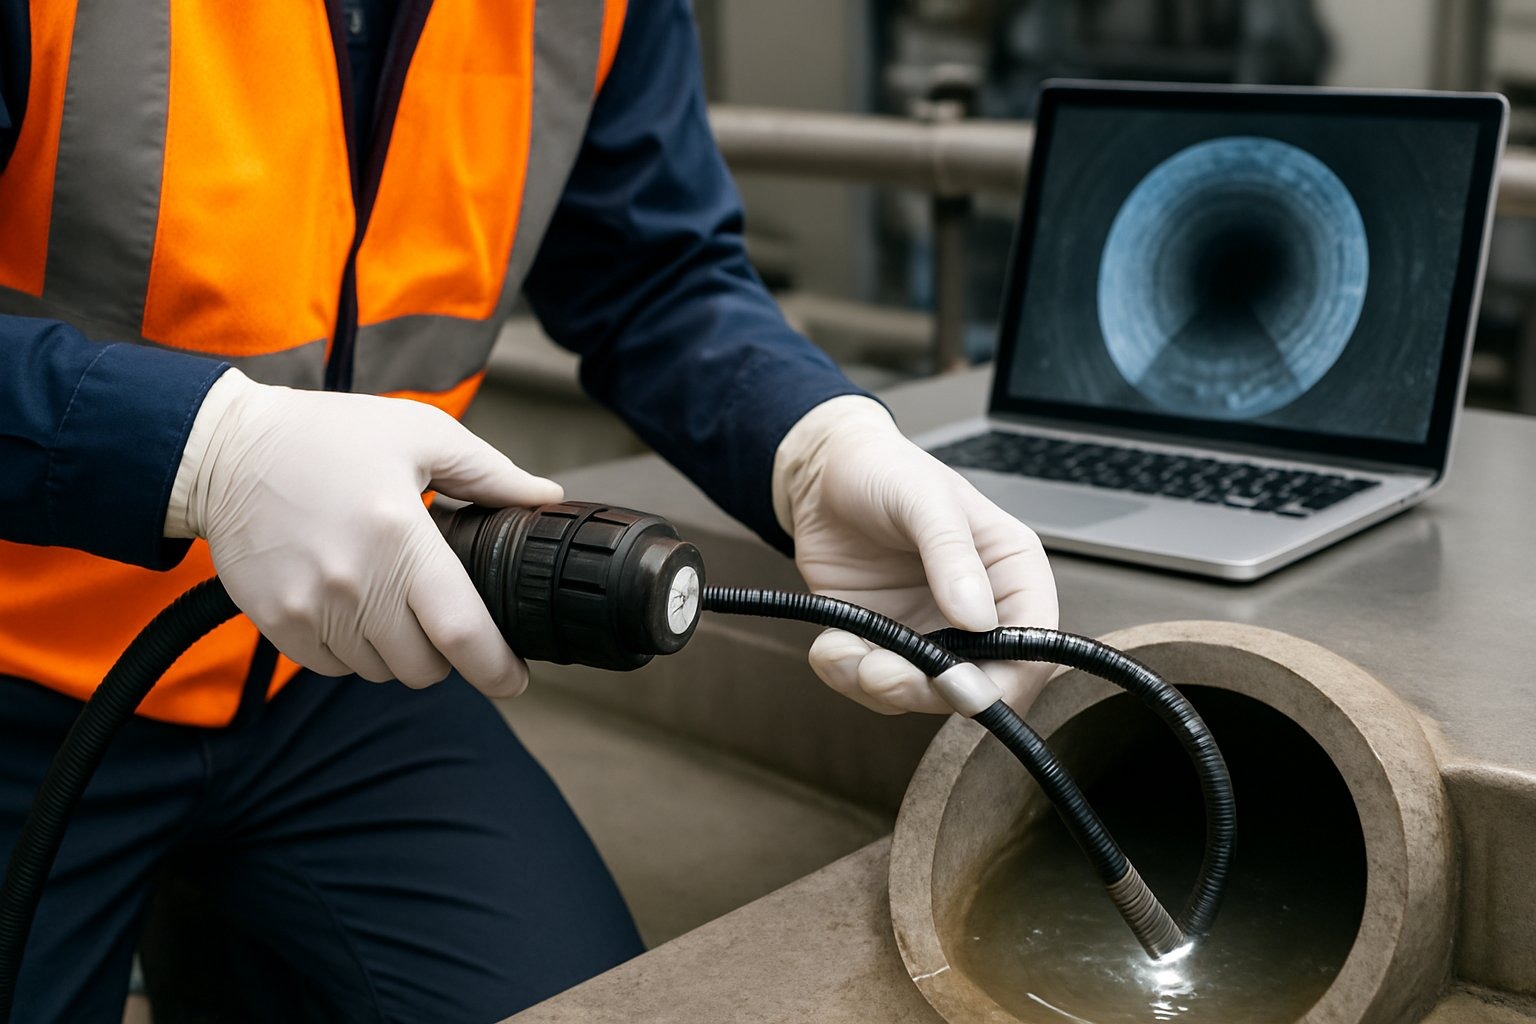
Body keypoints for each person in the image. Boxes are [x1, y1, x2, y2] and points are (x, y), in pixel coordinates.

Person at [0, 1, 1057, 1020]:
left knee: (588, 1009)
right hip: (24, 660)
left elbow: (653, 268)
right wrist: (204, 452)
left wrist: (815, 439)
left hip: (347, 661)